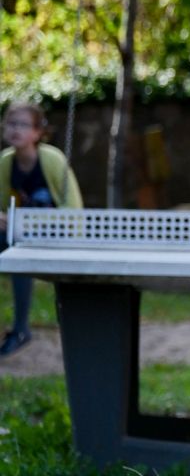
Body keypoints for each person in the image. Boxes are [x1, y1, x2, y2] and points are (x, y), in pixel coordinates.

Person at [0, 100, 83, 357]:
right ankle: (18, 329)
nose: (16, 129)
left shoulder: (52, 159)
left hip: (59, 237)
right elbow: (5, 208)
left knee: (20, 251)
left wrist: (26, 222)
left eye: (23, 124)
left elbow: (73, 211)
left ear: (37, 132)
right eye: (11, 123)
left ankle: (25, 328)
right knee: (16, 248)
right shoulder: (5, 163)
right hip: (21, 236)